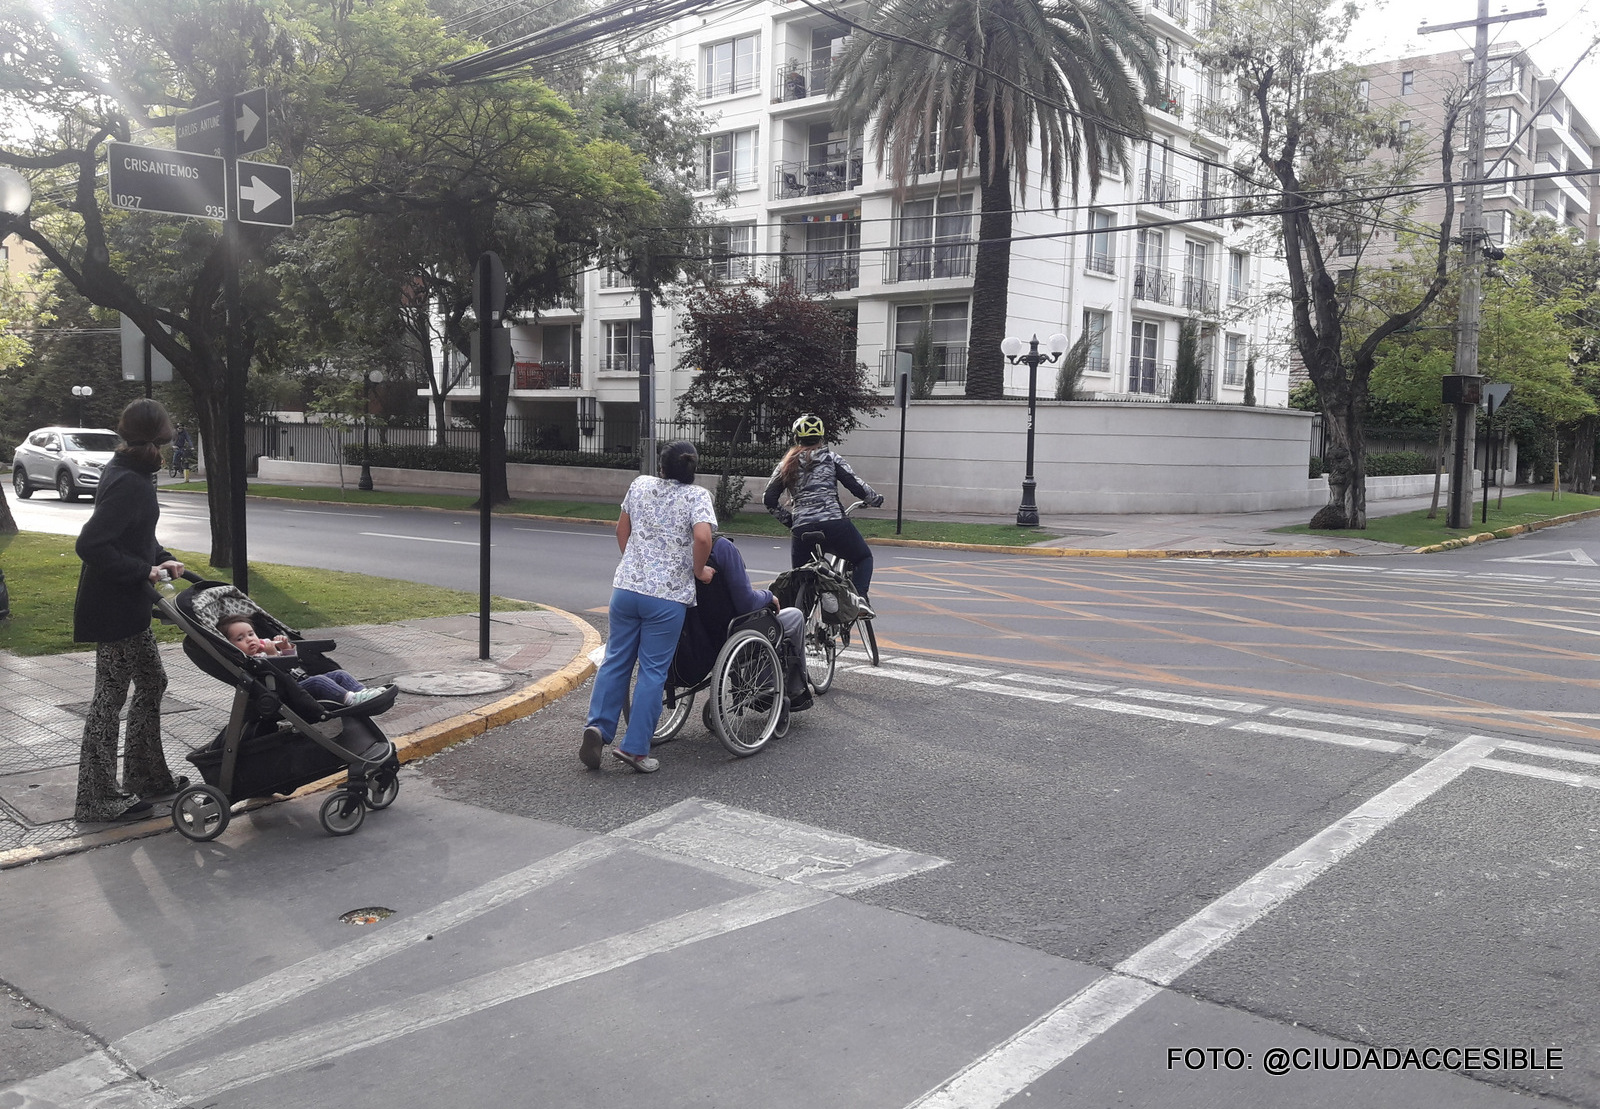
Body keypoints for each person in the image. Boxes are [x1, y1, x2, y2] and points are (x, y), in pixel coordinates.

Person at [72, 399, 185, 821]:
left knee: (153, 681)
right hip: (114, 607)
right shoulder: (129, 481)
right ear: (162, 434)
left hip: (128, 603)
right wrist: (144, 570)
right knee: (109, 699)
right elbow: (92, 544)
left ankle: (146, 776)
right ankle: (96, 798)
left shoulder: (129, 473)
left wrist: (163, 557)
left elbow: (135, 536)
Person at [581, 441, 716, 774]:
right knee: (653, 672)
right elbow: (702, 538)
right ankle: (635, 749)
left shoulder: (640, 485)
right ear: (692, 469)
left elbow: (621, 529)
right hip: (666, 597)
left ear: (661, 466)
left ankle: (598, 727)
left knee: (615, 659)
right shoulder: (697, 496)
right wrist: (699, 572)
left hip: (626, 589)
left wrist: (634, 562)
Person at [763, 414, 883, 604]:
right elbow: (856, 486)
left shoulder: (786, 464)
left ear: (796, 439)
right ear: (822, 438)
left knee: (801, 578)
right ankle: (859, 600)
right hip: (835, 524)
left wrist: (791, 521)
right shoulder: (830, 458)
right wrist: (875, 499)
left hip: (802, 529)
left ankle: (804, 621)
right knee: (863, 558)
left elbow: (769, 499)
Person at [709, 533, 811, 712]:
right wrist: (768, 595)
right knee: (793, 617)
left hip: (698, 635)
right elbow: (746, 603)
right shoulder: (721, 548)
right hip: (731, 631)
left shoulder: (676, 548)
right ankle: (794, 690)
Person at [216, 613, 389, 708]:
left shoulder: (261, 651)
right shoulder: (250, 661)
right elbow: (277, 672)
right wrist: (272, 654)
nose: (249, 640)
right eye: (240, 639)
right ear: (230, 645)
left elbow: (292, 663)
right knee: (319, 681)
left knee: (339, 674)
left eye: (251, 634)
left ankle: (365, 694)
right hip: (288, 692)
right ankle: (351, 699)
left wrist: (285, 649)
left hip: (298, 681)